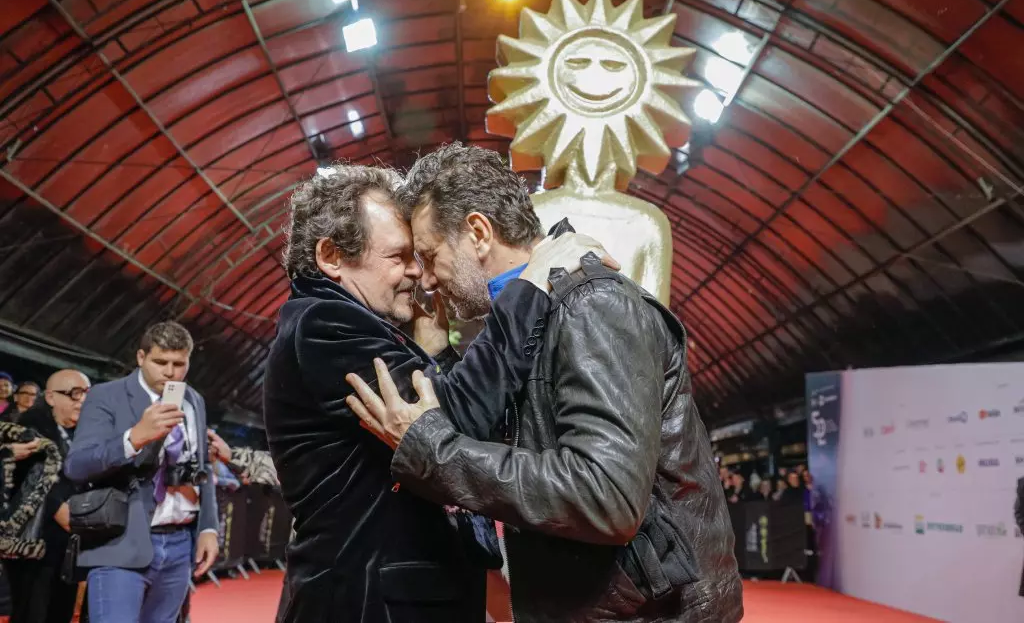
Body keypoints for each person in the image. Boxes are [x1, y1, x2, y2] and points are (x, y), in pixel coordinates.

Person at [346, 143, 743, 623]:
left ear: (478, 232)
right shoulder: (536, 315)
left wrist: (433, 452)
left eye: (430, 256)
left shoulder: (594, 307)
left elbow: (606, 497)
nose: (425, 280)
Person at [263, 162, 611, 623]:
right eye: (398, 257)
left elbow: (441, 417)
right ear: (332, 256)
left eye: (418, 256)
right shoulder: (324, 325)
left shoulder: (353, 326)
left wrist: (433, 353)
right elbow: (451, 420)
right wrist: (532, 284)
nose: (417, 274)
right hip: (369, 604)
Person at [65, 321, 219, 623]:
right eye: (160, 362)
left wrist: (208, 529)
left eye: (179, 363)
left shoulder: (193, 400)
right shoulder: (106, 396)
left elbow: (204, 467)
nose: (170, 371)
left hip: (178, 545)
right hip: (121, 541)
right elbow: (77, 465)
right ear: (140, 358)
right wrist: (133, 438)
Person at [5, 370, 90, 623]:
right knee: (32, 610)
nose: (82, 401)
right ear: (51, 397)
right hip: (34, 542)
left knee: (62, 610)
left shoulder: (89, 433)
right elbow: (26, 476)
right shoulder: (28, 429)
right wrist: (59, 508)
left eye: (86, 394)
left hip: (73, 541)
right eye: (74, 394)